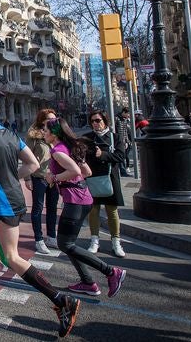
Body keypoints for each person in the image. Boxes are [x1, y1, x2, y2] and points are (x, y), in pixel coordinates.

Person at [0, 96, 81, 338]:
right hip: (7, 199)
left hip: (3, 204)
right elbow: (33, 164)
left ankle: (61, 300)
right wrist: (12, 177)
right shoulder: (10, 134)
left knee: (12, 257)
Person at [42, 115, 127, 300]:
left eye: (46, 130)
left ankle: (111, 272)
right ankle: (87, 282)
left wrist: (54, 178)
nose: (43, 132)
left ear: (54, 133)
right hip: (83, 199)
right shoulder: (70, 147)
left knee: (65, 243)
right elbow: (87, 172)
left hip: (75, 201)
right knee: (68, 244)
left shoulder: (58, 150)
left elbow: (76, 171)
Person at [81, 111, 127, 258]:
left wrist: (103, 155)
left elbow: (120, 156)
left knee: (112, 211)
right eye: (92, 121)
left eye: (98, 120)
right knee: (93, 210)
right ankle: (94, 240)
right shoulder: (87, 138)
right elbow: (80, 155)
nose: (95, 123)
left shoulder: (115, 137)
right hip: (93, 177)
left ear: (105, 121)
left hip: (110, 178)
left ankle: (116, 242)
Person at [25, 108, 59, 255]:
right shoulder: (33, 135)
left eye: (54, 119)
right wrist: (27, 178)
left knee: (52, 208)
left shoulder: (57, 133)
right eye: (49, 119)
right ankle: (39, 239)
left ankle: (51, 236)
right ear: (42, 120)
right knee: (38, 209)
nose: (52, 121)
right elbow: (26, 157)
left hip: (54, 177)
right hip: (39, 177)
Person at [115, 108, 133, 177]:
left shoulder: (125, 120)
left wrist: (127, 141)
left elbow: (125, 131)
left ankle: (123, 170)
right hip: (119, 141)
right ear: (124, 112)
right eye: (128, 113)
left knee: (124, 156)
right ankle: (123, 171)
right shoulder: (117, 119)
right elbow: (118, 132)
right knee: (121, 156)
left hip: (125, 141)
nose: (128, 115)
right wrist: (122, 141)